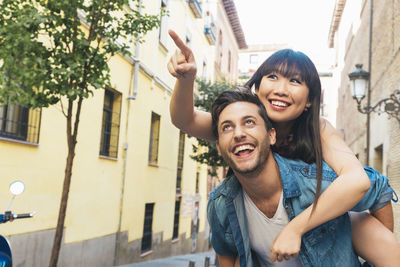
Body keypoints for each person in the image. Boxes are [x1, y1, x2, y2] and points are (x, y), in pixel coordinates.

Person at [166, 29, 398, 265]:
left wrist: (295, 228)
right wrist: (186, 80)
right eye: (273, 77)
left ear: (309, 100)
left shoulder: (318, 130)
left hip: (321, 224)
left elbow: (364, 183)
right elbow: (184, 120)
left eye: (295, 81)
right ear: (257, 86)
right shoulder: (241, 122)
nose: (281, 89)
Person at [207, 89, 397, 266]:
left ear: (271, 135)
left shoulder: (315, 183)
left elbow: (378, 188)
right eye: (227, 127)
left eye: (249, 122)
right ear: (219, 147)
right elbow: (228, 255)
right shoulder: (221, 204)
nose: (239, 134)